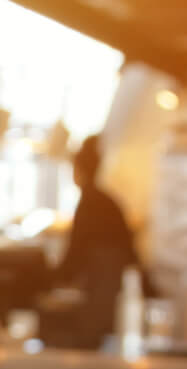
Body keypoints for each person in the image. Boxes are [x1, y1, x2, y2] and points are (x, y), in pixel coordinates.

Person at [53, 136, 144, 345]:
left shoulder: (89, 203)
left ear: (80, 170)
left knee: (91, 333)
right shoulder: (106, 200)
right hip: (109, 280)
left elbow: (76, 248)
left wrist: (55, 278)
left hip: (103, 279)